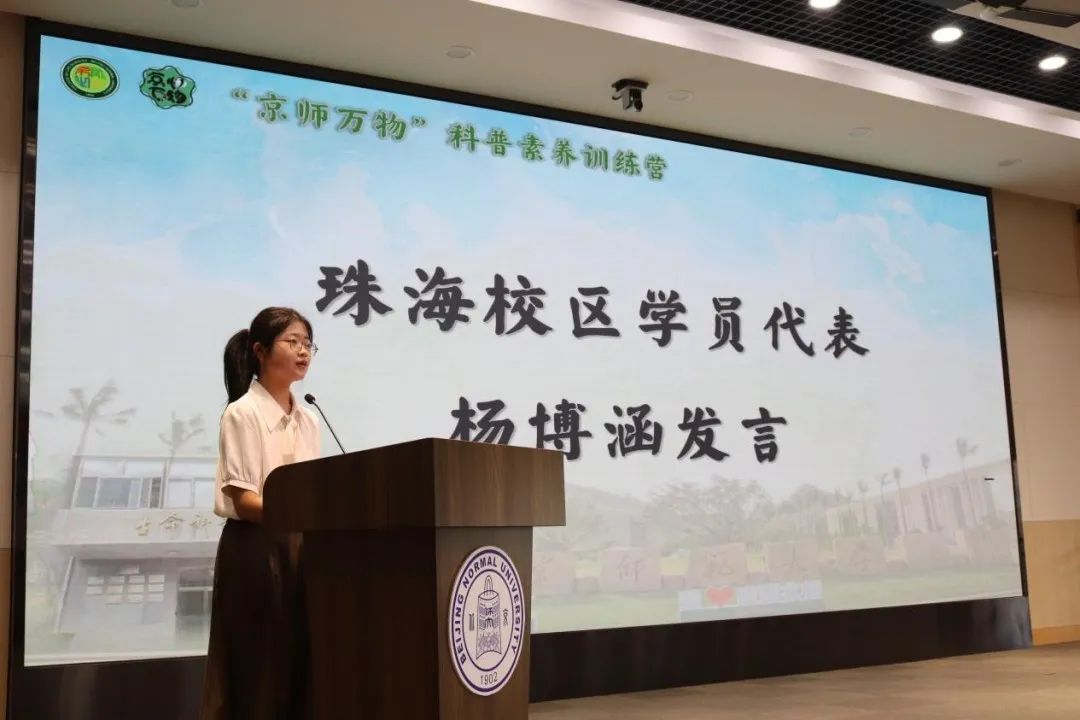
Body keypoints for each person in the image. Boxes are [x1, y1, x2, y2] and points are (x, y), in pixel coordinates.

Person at [199, 307, 322, 720]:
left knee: (301, 665)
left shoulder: (309, 420)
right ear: (260, 351)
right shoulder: (243, 413)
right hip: (254, 551)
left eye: (308, 344)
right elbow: (244, 500)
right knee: (259, 668)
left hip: (302, 550)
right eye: (293, 342)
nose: (303, 351)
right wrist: (301, 514)